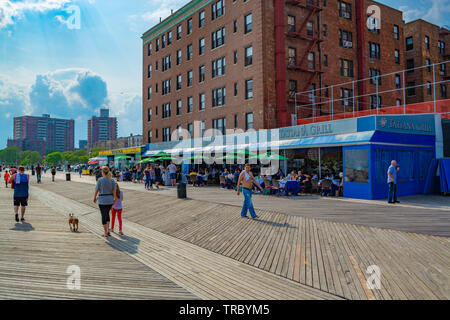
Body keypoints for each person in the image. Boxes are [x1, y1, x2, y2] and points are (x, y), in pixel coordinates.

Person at [93, 166, 117, 237]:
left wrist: (94, 197)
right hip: (110, 199)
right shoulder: (112, 180)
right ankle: (108, 230)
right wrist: (114, 198)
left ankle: (105, 232)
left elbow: (96, 190)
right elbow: (114, 190)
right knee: (107, 214)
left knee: (104, 215)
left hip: (102, 199)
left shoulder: (100, 180)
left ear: (102, 172)